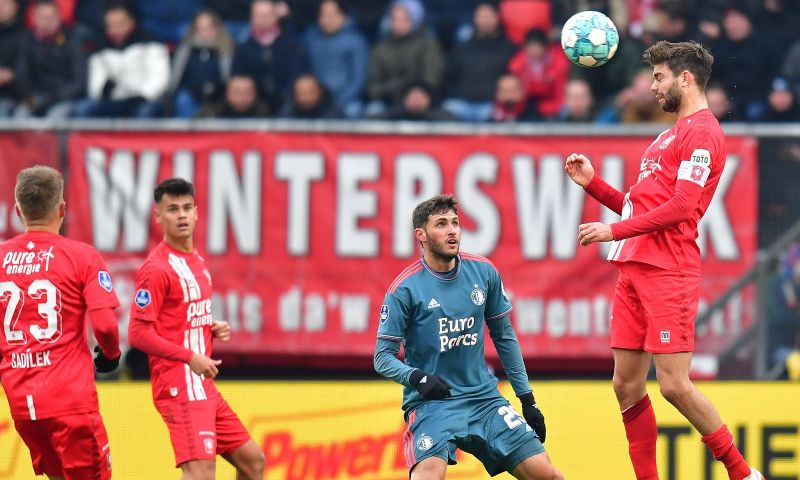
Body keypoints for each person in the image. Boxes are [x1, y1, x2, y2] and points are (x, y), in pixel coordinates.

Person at [564, 41, 764, 480]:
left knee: (673, 384)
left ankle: (742, 472)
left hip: (668, 268)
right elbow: (642, 208)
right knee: (625, 384)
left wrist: (610, 231)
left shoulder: (704, 132)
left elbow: (680, 207)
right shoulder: (666, 134)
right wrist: (593, 185)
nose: (652, 87)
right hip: (634, 266)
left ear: (685, 78)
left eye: (659, 77)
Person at [374, 194, 564, 480]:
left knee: (548, 475)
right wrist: (419, 379)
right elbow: (382, 357)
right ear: (421, 235)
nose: (452, 231)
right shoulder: (405, 289)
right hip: (433, 404)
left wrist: (527, 400)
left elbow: (505, 337)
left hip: (484, 399)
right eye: (441, 224)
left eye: (455, 223)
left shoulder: (483, 272)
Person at [128, 178, 264, 480]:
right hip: (178, 385)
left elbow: (177, 317)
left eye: (187, 208)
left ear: (197, 212)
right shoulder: (156, 268)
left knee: (253, 462)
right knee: (201, 473)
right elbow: (137, 333)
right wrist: (190, 355)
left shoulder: (195, 259)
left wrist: (207, 327)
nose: (181, 215)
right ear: (158, 216)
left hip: (202, 386)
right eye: (173, 209)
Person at [0, 165, 121, 479]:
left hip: (23, 404)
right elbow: (106, 325)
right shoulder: (81, 256)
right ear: (62, 208)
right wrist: (111, 354)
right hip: (70, 403)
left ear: (18, 210)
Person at [72, 3, 169, 119]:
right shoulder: (100, 51)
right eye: (111, 25)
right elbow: (95, 86)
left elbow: (160, 78)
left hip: (145, 100)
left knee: (145, 111)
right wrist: (104, 90)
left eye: (120, 24)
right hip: (115, 100)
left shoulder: (150, 44)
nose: (116, 30)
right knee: (83, 109)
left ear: (131, 22)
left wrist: (143, 95)